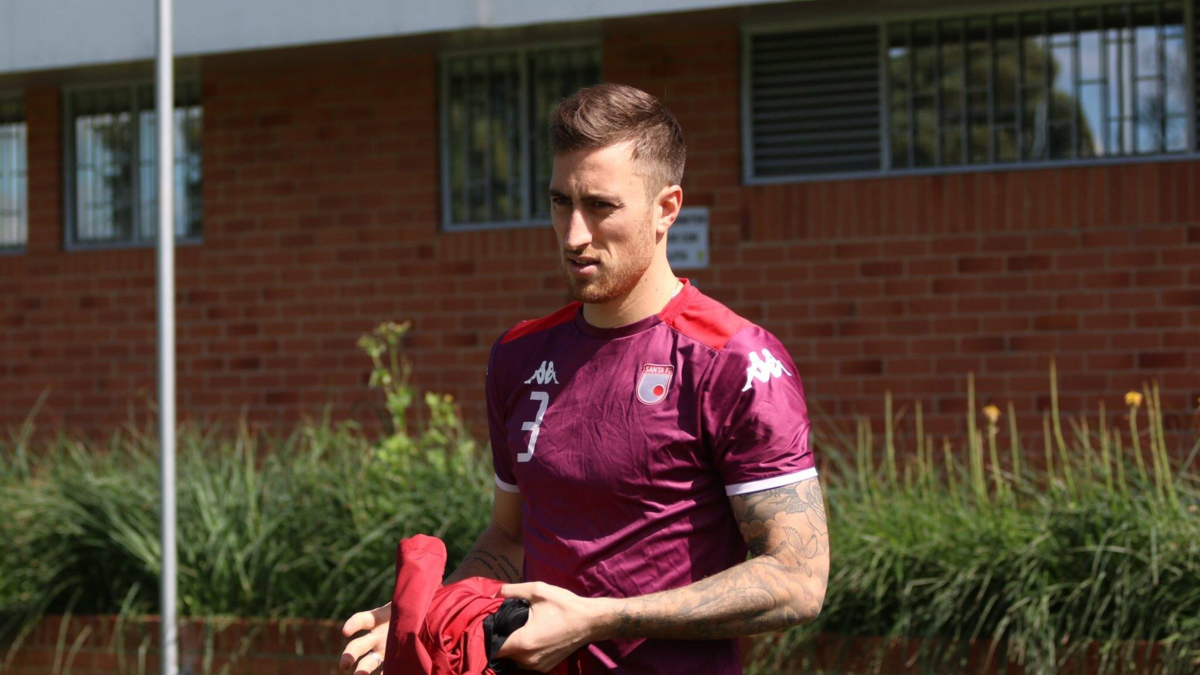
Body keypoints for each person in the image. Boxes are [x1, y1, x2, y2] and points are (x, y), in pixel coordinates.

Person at [340, 83, 828, 675]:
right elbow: (509, 538)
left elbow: (797, 580)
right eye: (560, 202)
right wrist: (431, 615)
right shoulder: (519, 355)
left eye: (600, 206)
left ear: (666, 208)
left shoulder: (734, 360)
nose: (574, 235)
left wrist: (600, 618)